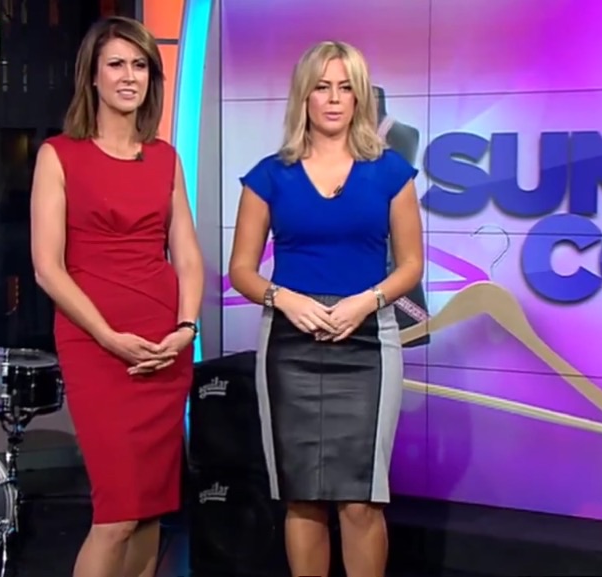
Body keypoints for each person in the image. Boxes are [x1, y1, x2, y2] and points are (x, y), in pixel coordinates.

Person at [227, 40, 424, 577]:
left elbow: (411, 265)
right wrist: (284, 298)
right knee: (303, 497)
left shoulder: (390, 173)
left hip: (367, 344)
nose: (334, 99)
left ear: (359, 98)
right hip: (290, 344)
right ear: (304, 96)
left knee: (360, 499)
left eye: (345, 88)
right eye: (322, 87)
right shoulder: (269, 176)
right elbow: (241, 269)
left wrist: (366, 302)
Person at [29, 16, 204, 577]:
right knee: (117, 516)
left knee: (150, 509)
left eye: (140, 66)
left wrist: (186, 329)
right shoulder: (59, 155)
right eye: (117, 65)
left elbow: (188, 255)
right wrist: (107, 335)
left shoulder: (165, 158)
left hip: (164, 346)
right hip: (96, 347)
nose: (130, 77)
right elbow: (48, 269)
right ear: (93, 76)